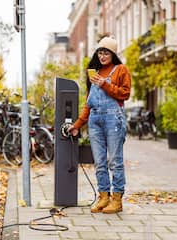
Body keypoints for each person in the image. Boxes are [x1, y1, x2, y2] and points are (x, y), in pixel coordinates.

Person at [68, 36, 131, 214]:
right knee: (100, 162)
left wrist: (106, 85)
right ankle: (104, 197)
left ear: (113, 54)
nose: (102, 56)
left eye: (106, 53)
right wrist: (78, 125)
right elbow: (90, 102)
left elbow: (125, 94)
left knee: (115, 162)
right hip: (95, 121)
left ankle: (117, 200)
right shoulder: (93, 73)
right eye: (100, 52)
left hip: (113, 120)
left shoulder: (121, 70)